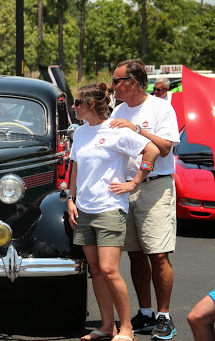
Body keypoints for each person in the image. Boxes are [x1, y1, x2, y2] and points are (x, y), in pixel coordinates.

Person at [68, 82, 159, 341]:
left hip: (110, 208)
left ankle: (127, 328)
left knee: (109, 270)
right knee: (95, 270)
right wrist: (71, 199)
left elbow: (151, 151)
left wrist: (135, 182)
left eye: (77, 103)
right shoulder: (80, 133)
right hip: (84, 209)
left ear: (92, 105)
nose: (73, 107)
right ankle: (107, 327)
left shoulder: (116, 130)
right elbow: (75, 166)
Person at [110, 59, 180, 340]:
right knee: (136, 254)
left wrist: (135, 128)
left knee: (158, 254)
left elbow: (164, 148)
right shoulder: (117, 109)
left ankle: (165, 316)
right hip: (127, 190)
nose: (112, 85)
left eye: (116, 81)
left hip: (154, 187)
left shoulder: (161, 107)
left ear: (132, 83)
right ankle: (146, 314)